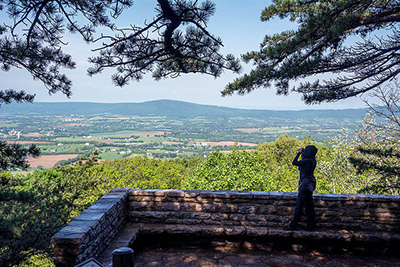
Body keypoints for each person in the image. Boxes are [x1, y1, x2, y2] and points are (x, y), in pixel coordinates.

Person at [283, 145, 318, 231]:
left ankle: (293, 225)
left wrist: (299, 153)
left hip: (305, 186)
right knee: (309, 206)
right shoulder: (312, 160)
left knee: (300, 206)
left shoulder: (306, 161)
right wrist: (303, 154)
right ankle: (311, 225)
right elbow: (302, 165)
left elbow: (294, 162)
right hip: (310, 185)